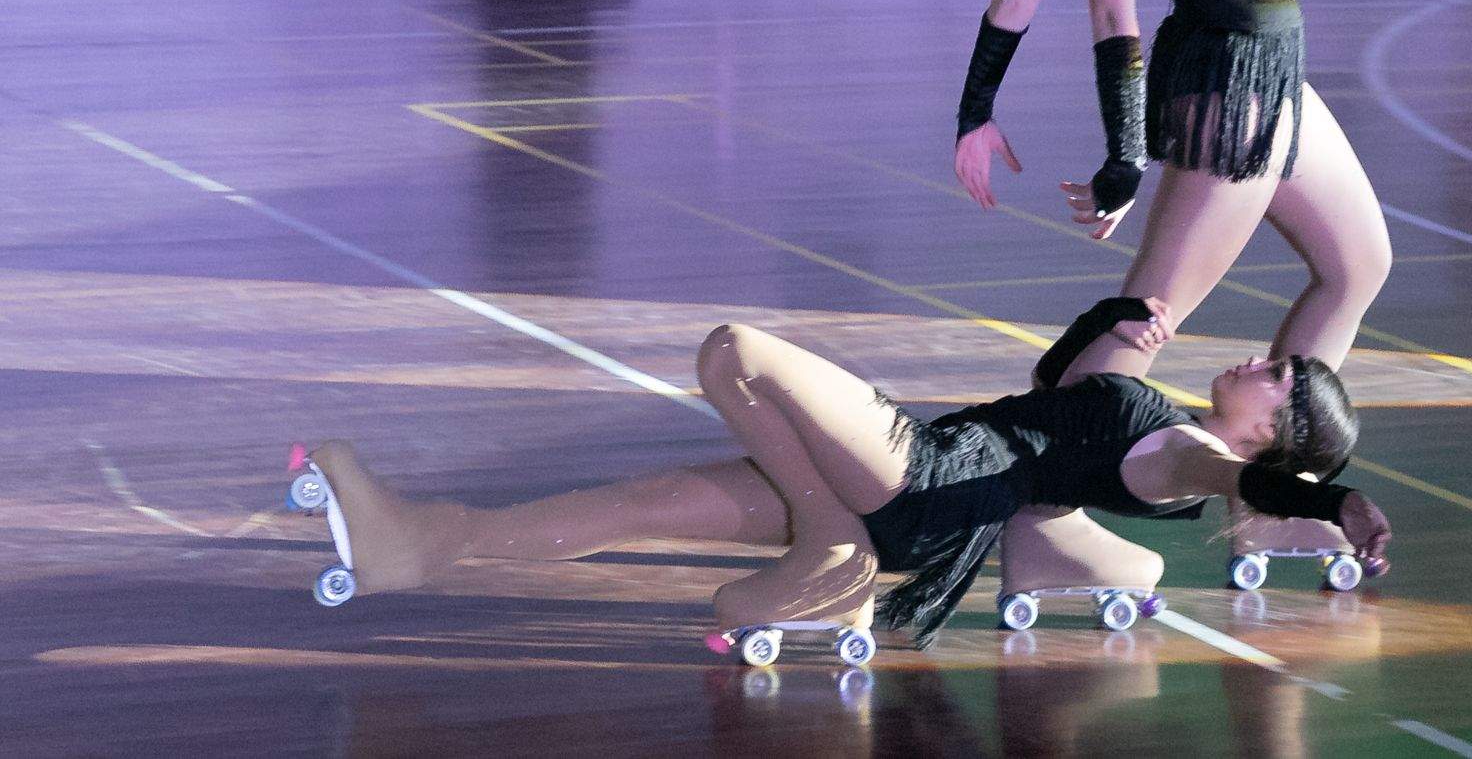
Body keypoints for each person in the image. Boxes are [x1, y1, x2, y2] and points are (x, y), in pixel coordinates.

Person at [911, 0, 1394, 581]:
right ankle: (1033, 516)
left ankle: (1275, 503)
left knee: (1357, 267)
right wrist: (1123, 158)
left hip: (1268, 69)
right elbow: (1112, 14)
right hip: (1232, 84)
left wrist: (975, 113)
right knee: (1140, 323)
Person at [298, 308, 1390, 650]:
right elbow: (1055, 389)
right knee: (645, 503)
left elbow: (1257, 492)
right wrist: (1110, 321)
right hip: (911, 490)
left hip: (926, 478)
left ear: (1270, 433)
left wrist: (1334, 502)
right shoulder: (1169, 425)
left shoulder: (1200, 460)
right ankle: (418, 542)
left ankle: (832, 549)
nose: (1262, 361)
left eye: (1278, 377)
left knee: (736, 351)